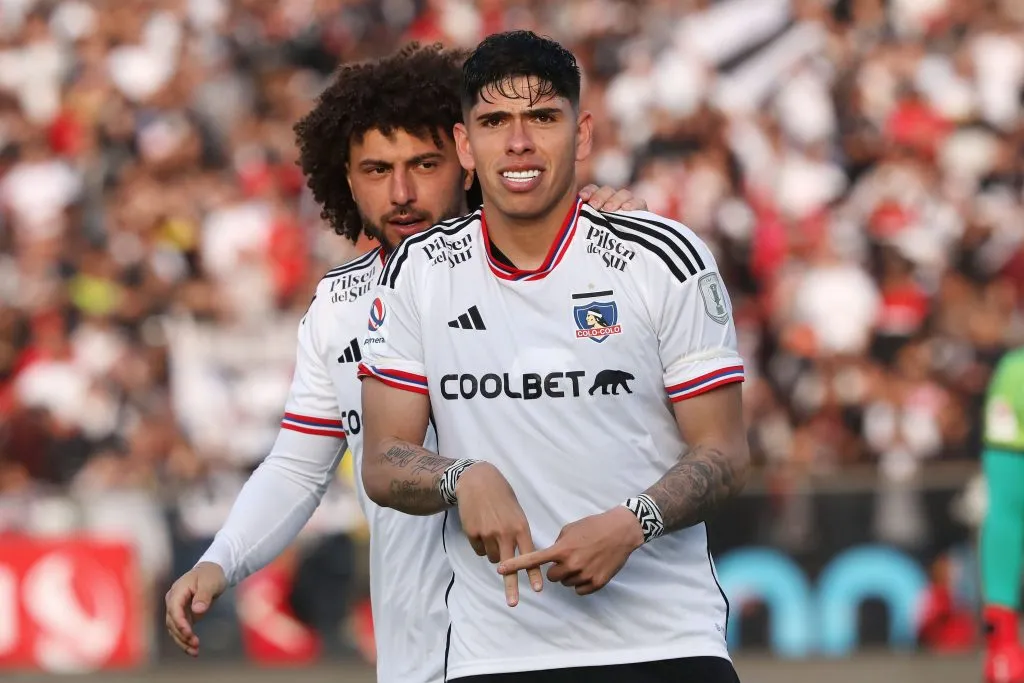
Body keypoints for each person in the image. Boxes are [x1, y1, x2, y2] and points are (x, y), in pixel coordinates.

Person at [162, 42, 645, 683]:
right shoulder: (337, 306)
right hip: (414, 660)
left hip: (565, 647)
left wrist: (608, 235)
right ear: (346, 179)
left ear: (467, 157)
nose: (401, 192)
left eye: (423, 163)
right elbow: (297, 468)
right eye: (375, 169)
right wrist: (220, 561)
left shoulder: (566, 265)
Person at [359, 30, 749, 683]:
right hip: (499, 657)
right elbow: (381, 460)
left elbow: (726, 452)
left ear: (583, 133)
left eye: (542, 117)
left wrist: (634, 522)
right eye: (494, 121)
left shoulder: (664, 257)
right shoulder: (418, 273)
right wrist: (463, 477)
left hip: (666, 645)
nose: (518, 142)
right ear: (463, 144)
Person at [981, 346, 1024, 683]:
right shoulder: (1014, 368)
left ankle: (1002, 652)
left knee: (1005, 522)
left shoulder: (1011, 366)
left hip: (1004, 451)